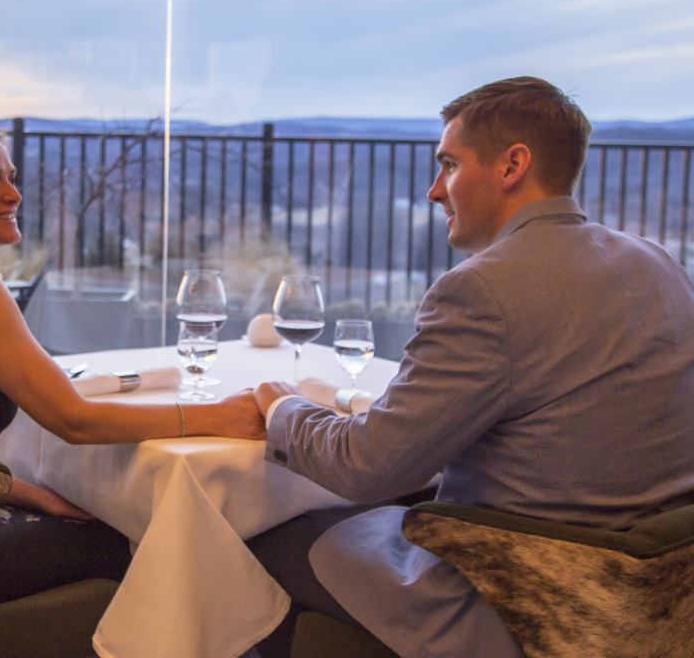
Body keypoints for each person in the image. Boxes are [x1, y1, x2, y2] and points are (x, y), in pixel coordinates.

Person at [247, 77, 694, 658]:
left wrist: (282, 408)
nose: (435, 191)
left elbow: (368, 466)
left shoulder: (482, 289)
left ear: (513, 165)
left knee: (264, 536)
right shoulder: (659, 263)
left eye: (449, 165)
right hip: (654, 596)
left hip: (525, 591)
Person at [0, 118, 265, 614]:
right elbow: (73, 419)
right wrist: (217, 416)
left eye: (11, 177)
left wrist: (27, 495)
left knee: (108, 522)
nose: (14, 194)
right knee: (160, 544)